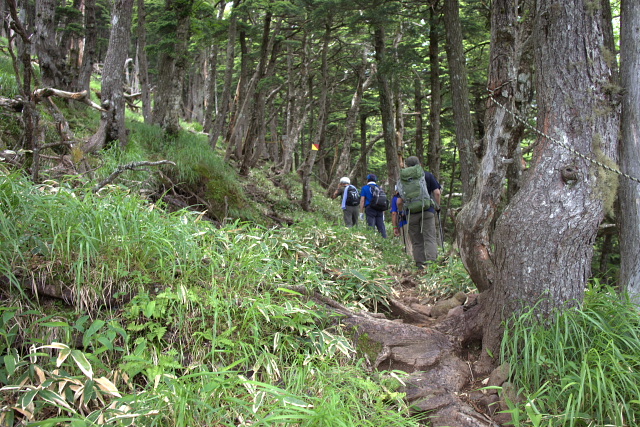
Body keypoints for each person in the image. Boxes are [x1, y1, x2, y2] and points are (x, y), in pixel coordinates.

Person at [397, 156, 441, 270]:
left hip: (411, 212)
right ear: (419, 164)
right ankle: (432, 265)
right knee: (430, 238)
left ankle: (420, 265)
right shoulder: (427, 175)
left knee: (417, 241)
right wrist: (437, 206)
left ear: (406, 165)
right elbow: (437, 193)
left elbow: (399, 201)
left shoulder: (403, 180)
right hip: (427, 210)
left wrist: (401, 212)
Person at [359, 174, 387, 238]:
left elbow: (362, 200)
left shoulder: (365, 188)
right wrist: (383, 213)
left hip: (370, 208)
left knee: (370, 226)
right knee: (381, 227)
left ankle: (371, 241)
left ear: (367, 180)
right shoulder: (379, 188)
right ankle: (384, 240)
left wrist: (361, 212)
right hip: (379, 209)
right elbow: (382, 200)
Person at [391, 186, 412, 257]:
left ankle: (410, 260)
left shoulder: (396, 198)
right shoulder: (411, 196)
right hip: (415, 220)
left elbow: (394, 213)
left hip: (403, 222)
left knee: (406, 243)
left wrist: (395, 227)